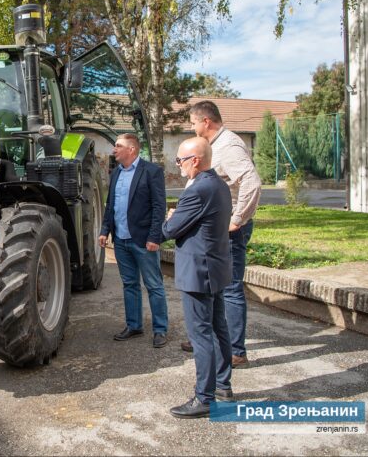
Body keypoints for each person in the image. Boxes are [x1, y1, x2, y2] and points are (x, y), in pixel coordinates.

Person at [186, 100, 262, 368]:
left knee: (229, 290)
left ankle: (236, 351)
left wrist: (238, 220)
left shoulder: (228, 146)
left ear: (206, 121)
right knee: (215, 287)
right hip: (214, 229)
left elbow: (251, 182)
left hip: (229, 231)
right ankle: (207, 339)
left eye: (193, 122)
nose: (192, 127)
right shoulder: (213, 145)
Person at [162, 137, 233, 418]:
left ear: (195, 160)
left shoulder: (197, 191)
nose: (177, 166)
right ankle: (223, 385)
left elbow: (169, 231)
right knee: (219, 329)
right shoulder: (219, 185)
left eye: (180, 160)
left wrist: (173, 216)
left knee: (201, 334)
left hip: (197, 272)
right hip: (215, 268)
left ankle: (204, 397)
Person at [99, 133, 168, 348]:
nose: (114, 150)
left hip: (143, 240)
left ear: (132, 149)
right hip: (121, 239)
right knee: (129, 284)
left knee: (154, 285)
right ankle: (134, 325)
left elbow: (159, 207)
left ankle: (160, 330)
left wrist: (154, 237)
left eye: (118, 146)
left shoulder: (152, 171)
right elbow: (110, 205)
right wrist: (104, 230)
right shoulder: (116, 173)